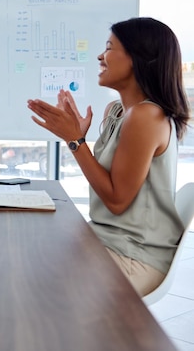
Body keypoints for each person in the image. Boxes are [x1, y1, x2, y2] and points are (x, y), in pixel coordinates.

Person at [27, 17, 190, 296]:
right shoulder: (116, 112)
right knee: (30, 259)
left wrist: (75, 140)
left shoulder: (146, 117)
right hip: (105, 240)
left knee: (37, 287)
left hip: (134, 256)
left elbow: (116, 200)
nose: (100, 56)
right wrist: (76, 138)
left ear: (140, 58)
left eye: (109, 47)